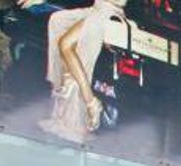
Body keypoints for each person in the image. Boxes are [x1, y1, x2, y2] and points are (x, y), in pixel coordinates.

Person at [23, 0, 128, 143]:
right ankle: (61, 107)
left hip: (108, 14)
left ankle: (90, 103)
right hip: (96, 10)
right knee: (58, 20)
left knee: (65, 44)